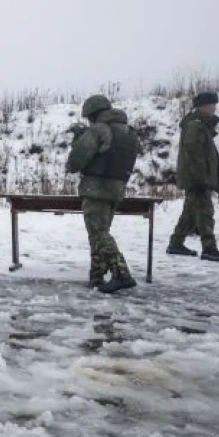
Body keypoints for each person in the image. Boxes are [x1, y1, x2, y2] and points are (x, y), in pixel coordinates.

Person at [66, 95, 142, 293]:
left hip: (96, 188)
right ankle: (96, 275)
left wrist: (79, 140)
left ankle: (121, 273)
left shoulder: (99, 129)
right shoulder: (127, 131)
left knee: (99, 234)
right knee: (99, 234)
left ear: (93, 114)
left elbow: (76, 161)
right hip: (117, 189)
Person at [166, 92, 219, 261]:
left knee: (189, 213)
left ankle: (176, 243)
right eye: (212, 104)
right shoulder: (195, 126)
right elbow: (194, 155)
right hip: (197, 179)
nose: (214, 108)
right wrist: (200, 179)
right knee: (205, 213)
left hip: (197, 178)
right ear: (203, 106)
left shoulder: (200, 126)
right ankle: (209, 248)